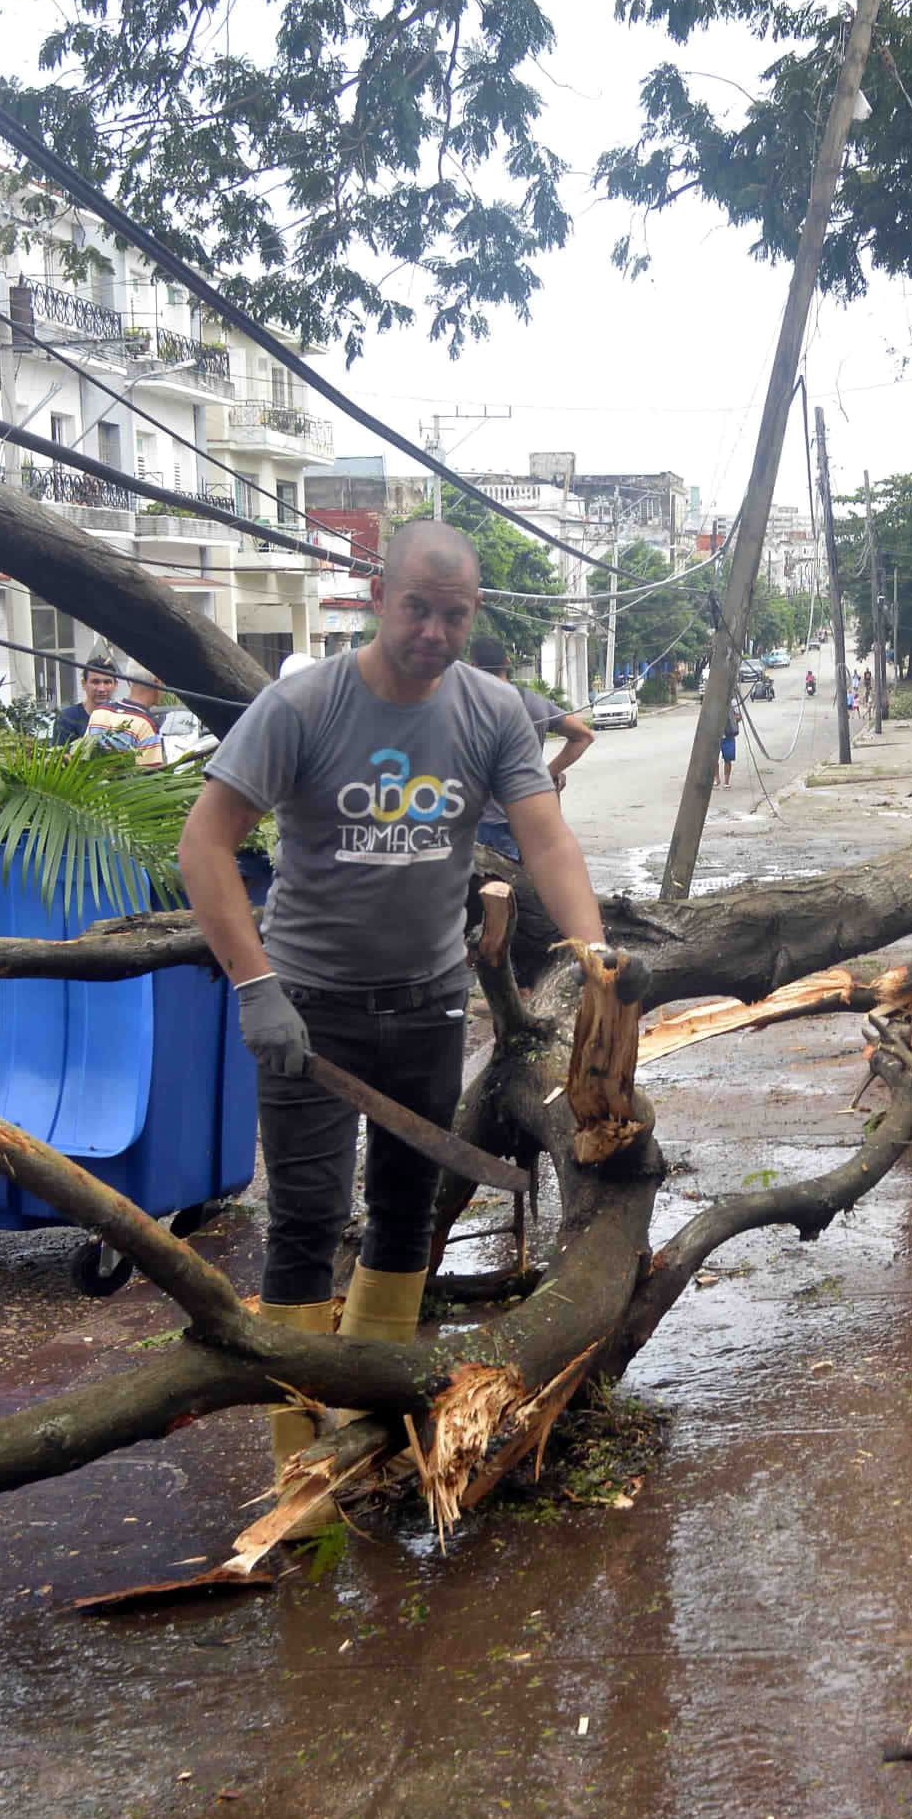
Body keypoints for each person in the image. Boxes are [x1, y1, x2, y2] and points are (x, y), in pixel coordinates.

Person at [178, 522, 608, 1499]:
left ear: (473, 616)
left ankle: (364, 1435)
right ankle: (299, 1466)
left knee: (406, 1215)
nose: (433, 630)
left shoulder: (493, 712)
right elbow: (204, 847)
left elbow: (547, 844)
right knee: (303, 1222)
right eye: (417, 606)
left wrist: (594, 963)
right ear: (378, 595)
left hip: (425, 1006)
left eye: (454, 614)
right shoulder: (303, 705)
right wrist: (256, 988)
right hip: (309, 1008)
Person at [467, 634, 595, 860]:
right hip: (530, 818)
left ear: (472, 667)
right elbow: (583, 736)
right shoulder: (535, 704)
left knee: (492, 891)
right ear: (507, 662)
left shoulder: (466, 709)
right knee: (532, 889)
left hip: (487, 825)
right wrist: (548, 774)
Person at [84, 667, 168, 766]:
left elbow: (83, 755)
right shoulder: (146, 724)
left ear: (129, 682)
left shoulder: (99, 712)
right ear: (157, 682)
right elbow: (150, 774)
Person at [53, 652, 120, 745]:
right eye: (95, 682)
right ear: (84, 684)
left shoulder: (122, 718)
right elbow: (59, 755)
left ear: (115, 685)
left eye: (107, 682)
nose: (101, 689)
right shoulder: (67, 718)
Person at [719, 689, 742, 786]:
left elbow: (739, 716)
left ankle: (726, 781)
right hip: (715, 734)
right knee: (712, 758)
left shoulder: (733, 702)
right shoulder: (713, 700)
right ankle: (717, 779)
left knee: (728, 758)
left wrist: (731, 719)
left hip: (728, 733)